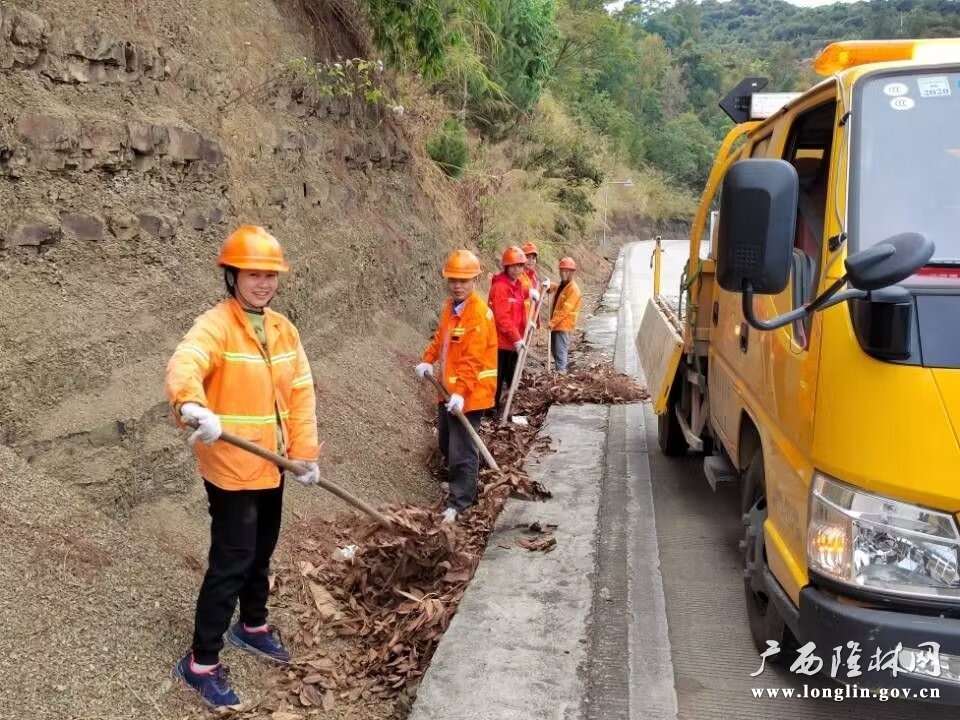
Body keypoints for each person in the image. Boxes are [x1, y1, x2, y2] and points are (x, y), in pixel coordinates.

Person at [165, 225, 321, 708]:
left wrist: (305, 454)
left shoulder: (282, 328)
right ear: (231, 276)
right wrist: (192, 406)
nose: (263, 283)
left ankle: (251, 625)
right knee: (232, 560)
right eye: (253, 274)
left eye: (270, 275)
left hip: (271, 465)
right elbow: (185, 363)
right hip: (231, 466)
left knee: (262, 550)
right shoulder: (215, 324)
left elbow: (300, 395)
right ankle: (201, 662)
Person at [415, 249, 498, 524]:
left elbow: (473, 360)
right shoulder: (450, 308)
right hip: (448, 390)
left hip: (470, 393)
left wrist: (461, 393)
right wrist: (427, 360)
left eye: (463, 280)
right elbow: (441, 339)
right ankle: (460, 482)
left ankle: (461, 501)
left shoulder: (478, 314)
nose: (458, 285)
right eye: (453, 280)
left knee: (462, 448)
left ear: (475, 280)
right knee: (447, 443)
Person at [488, 245, 536, 414]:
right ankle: (492, 410)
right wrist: (516, 338)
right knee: (498, 376)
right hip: (501, 342)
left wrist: (530, 292)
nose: (517, 270)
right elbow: (502, 319)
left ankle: (510, 407)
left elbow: (520, 304)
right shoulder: (500, 287)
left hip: (513, 342)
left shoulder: (515, 285)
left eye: (520, 266)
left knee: (512, 375)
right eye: (513, 266)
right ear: (506, 267)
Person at [549, 257, 582, 374]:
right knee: (554, 350)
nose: (563, 273)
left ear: (572, 272)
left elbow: (565, 310)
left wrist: (552, 323)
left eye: (566, 271)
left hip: (563, 326)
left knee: (560, 351)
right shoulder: (563, 285)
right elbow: (558, 290)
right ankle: (560, 371)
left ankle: (561, 374)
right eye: (562, 270)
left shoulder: (574, 289)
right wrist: (551, 286)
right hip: (557, 325)